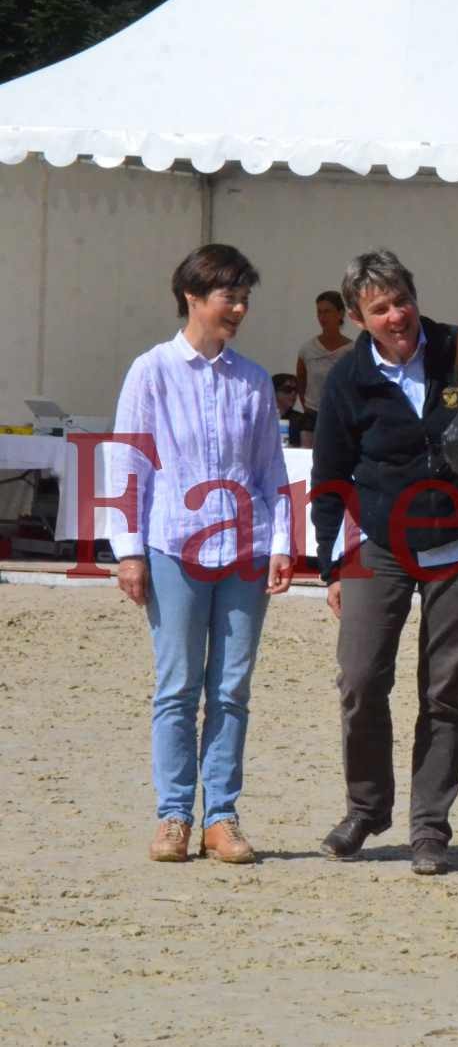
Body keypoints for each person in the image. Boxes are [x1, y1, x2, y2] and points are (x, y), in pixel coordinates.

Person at [310, 250, 458, 876]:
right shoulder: (350, 380)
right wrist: (330, 567)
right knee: (359, 680)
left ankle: (429, 827)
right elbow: (329, 478)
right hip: (380, 543)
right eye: (379, 308)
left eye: (401, 299)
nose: (396, 315)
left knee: (442, 692)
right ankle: (366, 808)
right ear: (358, 318)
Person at [109, 243, 294, 864]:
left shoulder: (253, 379)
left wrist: (282, 543)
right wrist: (129, 551)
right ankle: (173, 815)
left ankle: (222, 817)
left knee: (232, 689)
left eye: (245, 298)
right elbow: (128, 462)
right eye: (229, 296)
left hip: (244, 549)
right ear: (193, 296)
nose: (239, 308)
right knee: (178, 687)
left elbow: (272, 468)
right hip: (173, 547)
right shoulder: (152, 371)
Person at [295, 289, 354, 436]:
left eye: (327, 311)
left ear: (340, 314)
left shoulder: (353, 351)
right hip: (312, 419)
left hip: (342, 419)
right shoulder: (307, 349)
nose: (322, 317)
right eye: (319, 312)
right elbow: (301, 382)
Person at [272, 373, 309, 447]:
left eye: (296, 390)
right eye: (287, 389)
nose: (293, 393)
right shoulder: (264, 418)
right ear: (274, 392)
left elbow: (306, 448)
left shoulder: (302, 419)